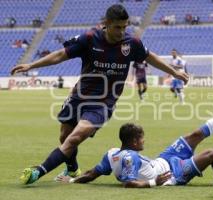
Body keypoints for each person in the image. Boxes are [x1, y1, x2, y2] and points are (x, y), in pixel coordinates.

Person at [12, 4, 188, 185]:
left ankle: (38, 171)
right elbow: (60, 55)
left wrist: (174, 72)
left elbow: (150, 56)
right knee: (65, 136)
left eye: (124, 27)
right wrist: (31, 66)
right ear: (107, 23)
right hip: (79, 96)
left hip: (103, 103)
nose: (121, 32)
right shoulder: (89, 38)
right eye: (117, 27)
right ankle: (72, 168)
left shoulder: (131, 43)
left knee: (75, 137)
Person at [56, 96, 213, 187]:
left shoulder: (112, 154)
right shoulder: (128, 158)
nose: (144, 140)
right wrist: (154, 182)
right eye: (142, 137)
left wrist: (73, 180)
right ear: (134, 142)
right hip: (173, 174)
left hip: (164, 159)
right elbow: (130, 183)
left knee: (195, 134)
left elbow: (92, 174)